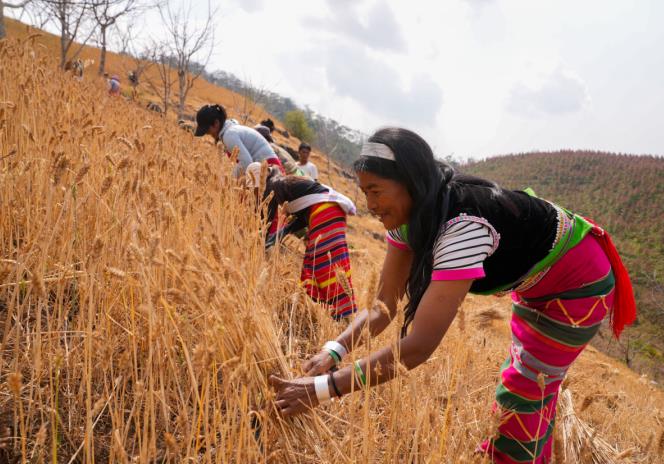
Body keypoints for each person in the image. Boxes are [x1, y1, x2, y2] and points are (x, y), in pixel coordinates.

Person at [270, 127, 637, 463]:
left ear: (411, 183)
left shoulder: (462, 226)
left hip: (578, 283)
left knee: (525, 391)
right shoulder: (408, 218)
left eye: (376, 191)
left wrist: (321, 389)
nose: (370, 204)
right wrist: (334, 351)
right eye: (365, 192)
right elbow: (382, 308)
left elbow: (419, 346)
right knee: (529, 388)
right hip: (534, 283)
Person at [246, 162, 358, 320]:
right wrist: (281, 233)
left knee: (323, 264)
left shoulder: (273, 186)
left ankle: (341, 313)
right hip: (332, 210)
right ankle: (338, 311)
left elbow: (267, 219)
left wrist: (263, 241)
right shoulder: (285, 182)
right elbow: (303, 216)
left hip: (325, 211)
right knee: (326, 262)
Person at [194, 104, 284, 176]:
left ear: (216, 123)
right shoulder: (230, 129)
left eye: (207, 130)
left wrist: (228, 180)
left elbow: (246, 162)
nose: (207, 134)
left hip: (269, 169)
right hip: (267, 167)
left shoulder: (229, 135)